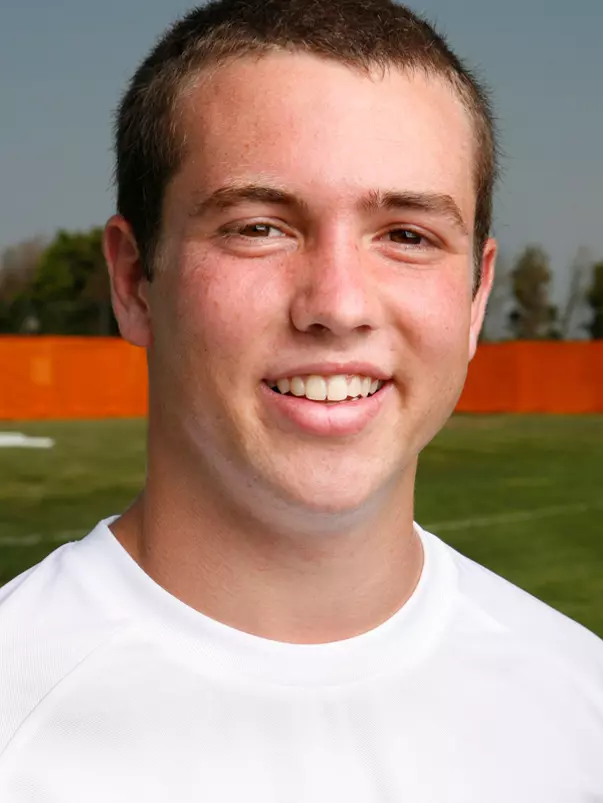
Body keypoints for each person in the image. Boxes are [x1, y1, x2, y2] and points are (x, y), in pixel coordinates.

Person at [1, 0, 602, 799]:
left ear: (474, 295)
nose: (337, 304)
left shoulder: (580, 707)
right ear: (134, 278)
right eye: (259, 227)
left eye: (407, 234)